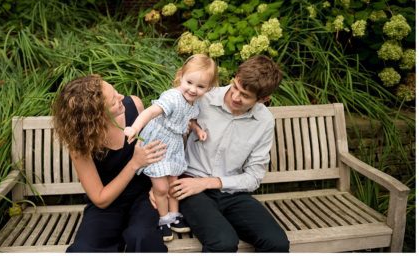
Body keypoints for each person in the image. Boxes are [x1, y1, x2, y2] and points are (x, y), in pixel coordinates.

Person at [167, 54, 289, 253]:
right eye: (235, 87)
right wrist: (159, 185)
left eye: (245, 96)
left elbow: (254, 177)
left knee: (277, 242)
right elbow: (164, 133)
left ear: (263, 99)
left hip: (232, 192)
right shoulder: (202, 97)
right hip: (189, 186)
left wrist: (209, 182)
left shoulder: (265, 121)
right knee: (223, 242)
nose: (235, 97)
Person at [52, 74, 170, 253]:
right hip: (109, 202)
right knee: (85, 248)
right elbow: (100, 199)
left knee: (141, 238)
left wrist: (159, 187)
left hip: (144, 197)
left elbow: (158, 150)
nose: (122, 97)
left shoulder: (135, 107)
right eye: (114, 101)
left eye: (116, 92)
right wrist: (134, 163)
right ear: (97, 116)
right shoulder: (81, 142)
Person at [122, 54, 217, 242]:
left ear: (208, 88)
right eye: (189, 82)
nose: (193, 89)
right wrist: (135, 127)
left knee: (173, 183)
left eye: (200, 86)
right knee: (161, 186)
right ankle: (163, 219)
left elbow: (187, 120)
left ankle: (174, 216)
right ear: (180, 76)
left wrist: (197, 129)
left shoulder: (194, 103)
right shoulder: (172, 97)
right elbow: (150, 112)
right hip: (157, 144)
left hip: (174, 146)